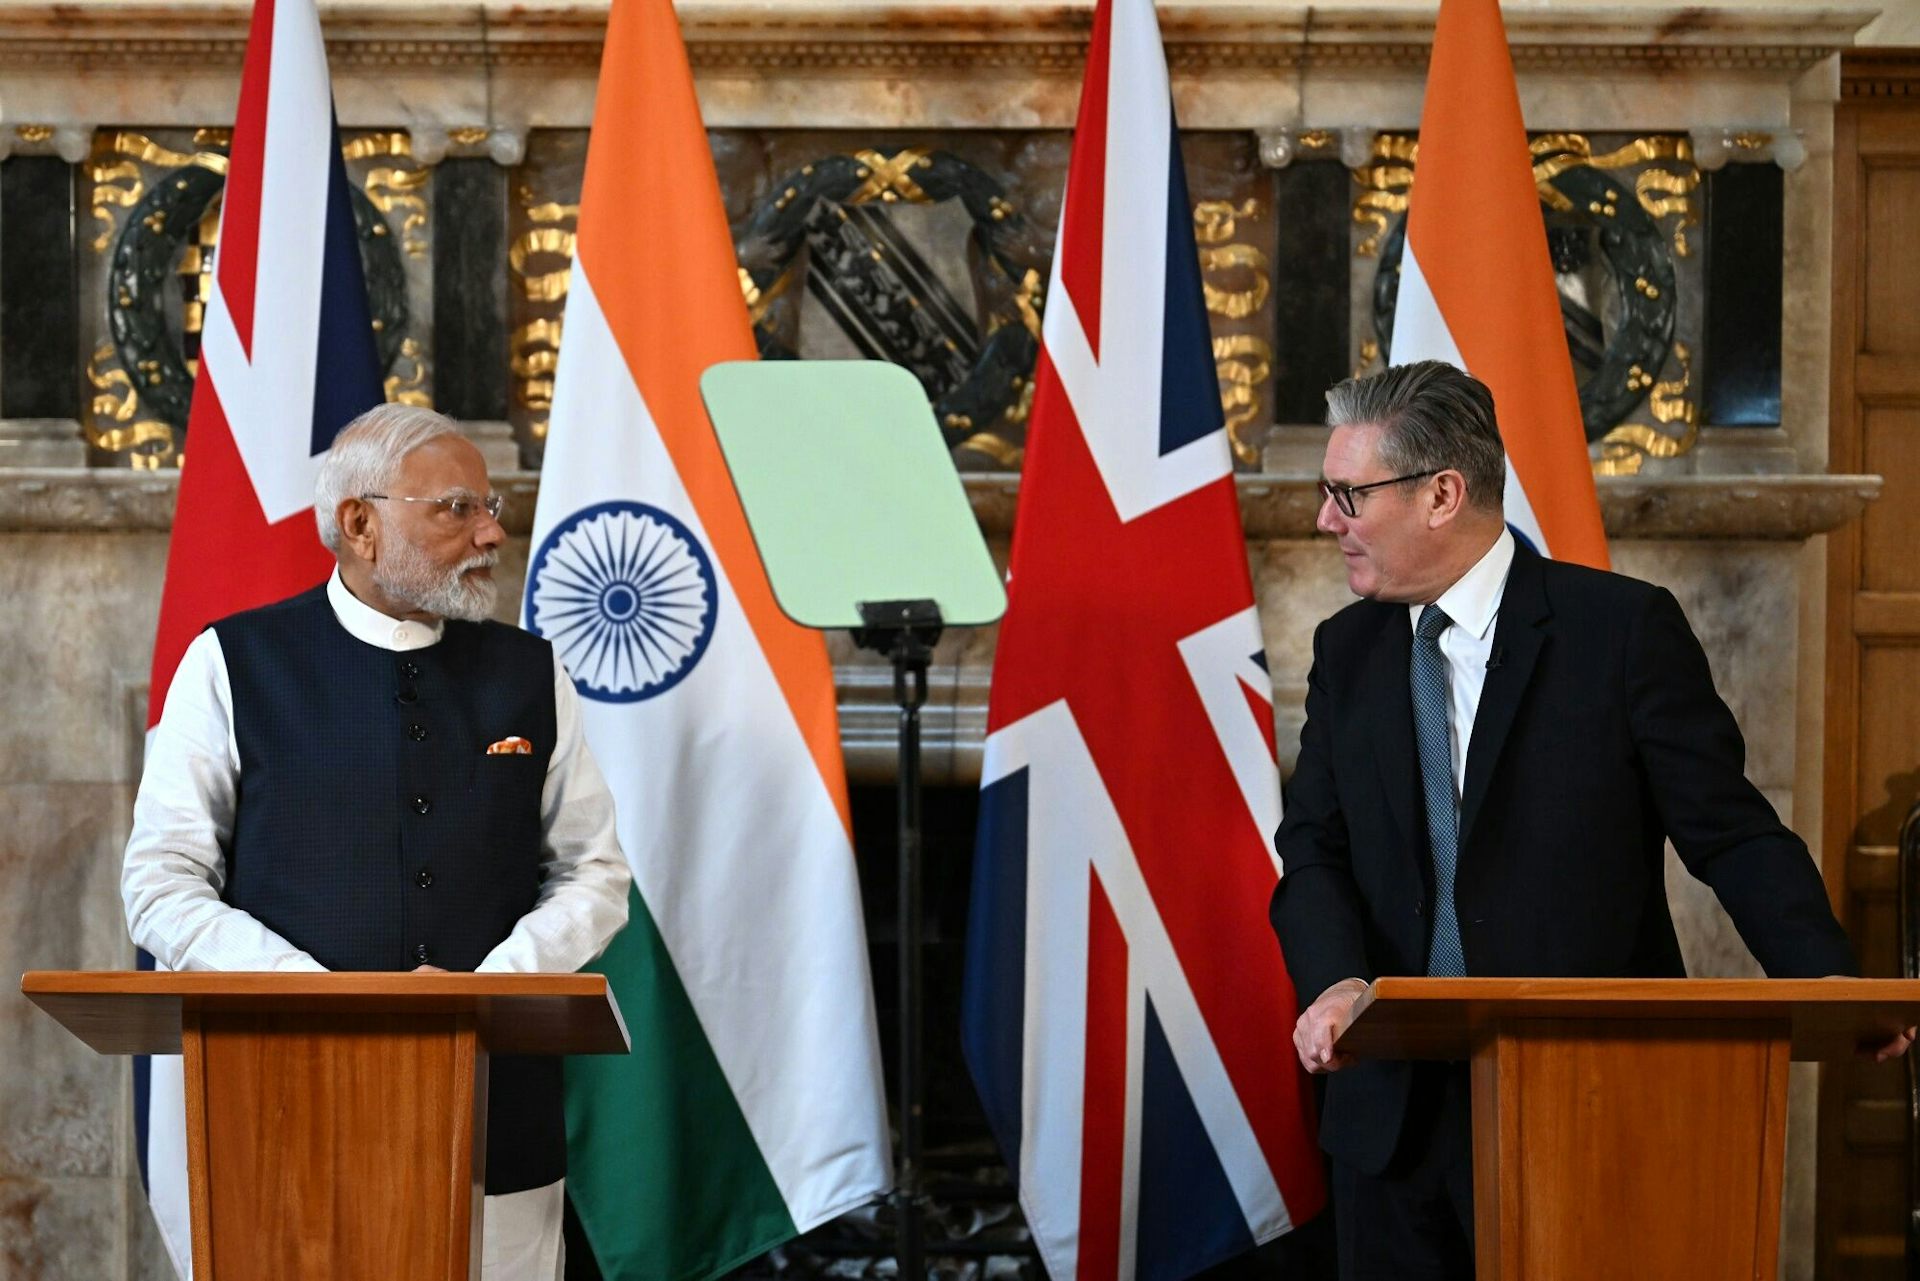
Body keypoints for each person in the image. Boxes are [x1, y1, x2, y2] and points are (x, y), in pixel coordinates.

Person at [1268, 360, 1911, 1279]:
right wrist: (1333, 982)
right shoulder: (1348, 649)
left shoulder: (1620, 631)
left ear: (1443, 492)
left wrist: (1828, 978)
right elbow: (1314, 848)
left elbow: (1727, 830)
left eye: (1348, 494)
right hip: (1391, 1115)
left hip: (1586, 1100)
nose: (1327, 519)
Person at [123, 403, 632, 1280]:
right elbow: (161, 881)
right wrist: (323, 997)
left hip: (492, 1108)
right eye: (457, 508)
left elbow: (594, 872)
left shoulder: (531, 672)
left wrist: (482, 994)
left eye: (492, 509)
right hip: (284, 1105)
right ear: (359, 522)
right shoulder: (232, 663)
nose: (489, 533)